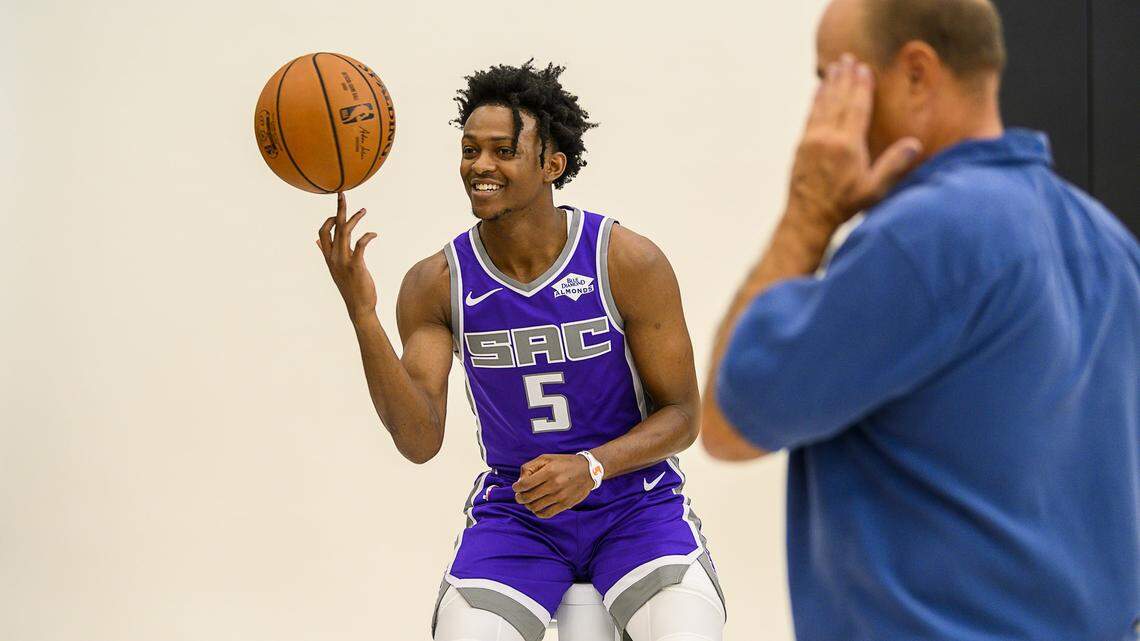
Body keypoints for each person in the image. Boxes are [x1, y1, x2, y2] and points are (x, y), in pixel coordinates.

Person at [699, 1, 1140, 640]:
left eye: (833, 79)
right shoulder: (1107, 241)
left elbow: (729, 421)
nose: (823, 113)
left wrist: (810, 214)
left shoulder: (925, 235)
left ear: (915, 74)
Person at [316, 61, 725, 641]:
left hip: (635, 505)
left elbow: (684, 417)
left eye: (503, 150)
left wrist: (591, 466)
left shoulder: (626, 261)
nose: (480, 166)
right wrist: (363, 316)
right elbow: (418, 440)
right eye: (469, 150)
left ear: (551, 164)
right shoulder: (437, 282)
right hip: (519, 515)